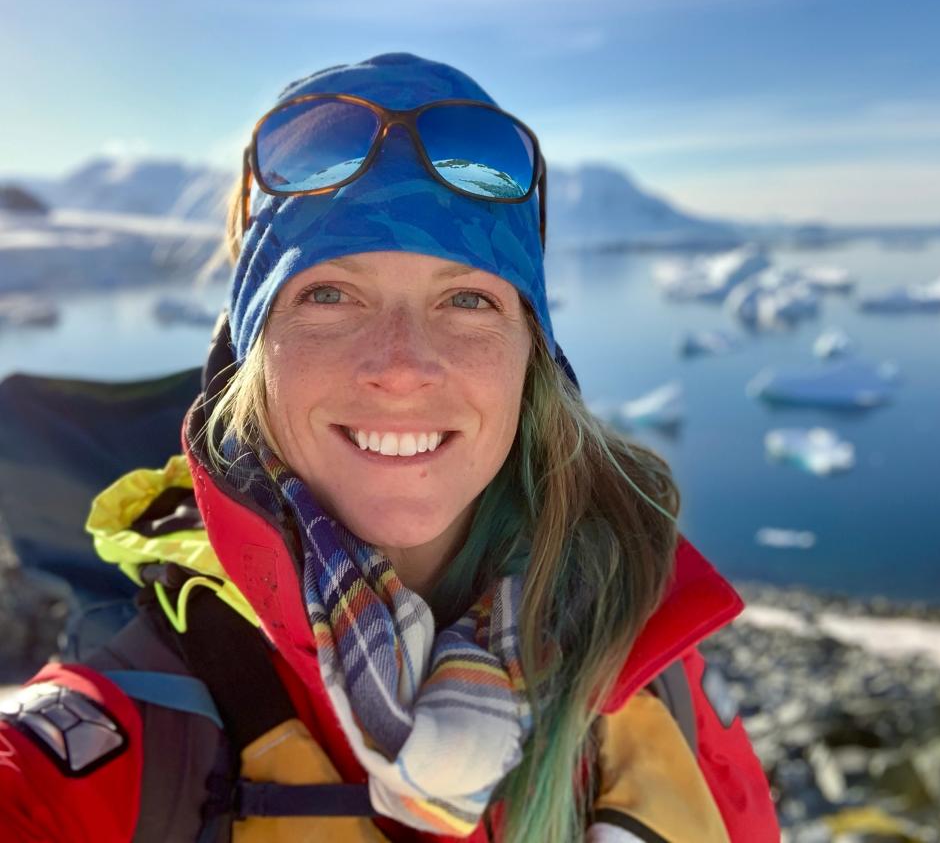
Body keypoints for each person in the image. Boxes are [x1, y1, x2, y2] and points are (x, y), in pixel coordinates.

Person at [0, 52, 779, 842]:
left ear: (532, 361)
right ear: (252, 355)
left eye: (467, 298)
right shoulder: (119, 744)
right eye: (329, 294)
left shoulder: (650, 665)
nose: (402, 366)